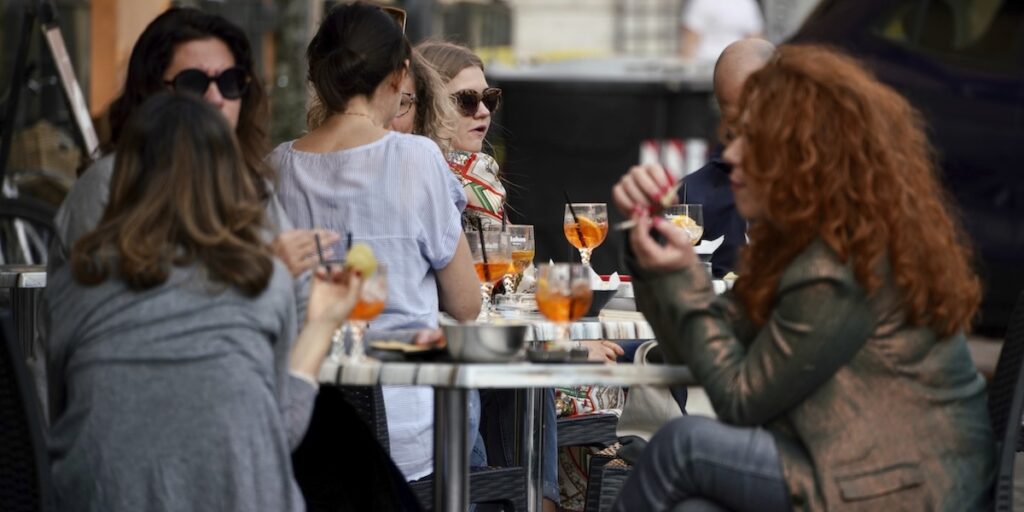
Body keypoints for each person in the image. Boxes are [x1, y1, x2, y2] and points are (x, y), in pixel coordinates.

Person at [611, 44, 993, 511]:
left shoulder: (840, 260)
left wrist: (681, 277)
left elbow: (739, 397)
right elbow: (706, 342)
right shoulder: (805, 238)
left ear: (804, 156)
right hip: (853, 460)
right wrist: (649, 251)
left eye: (750, 139)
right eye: (732, 134)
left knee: (683, 444)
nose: (728, 155)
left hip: (906, 484)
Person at [46, 93, 361, 512]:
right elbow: (276, 432)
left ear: (121, 176)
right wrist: (321, 323)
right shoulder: (261, 280)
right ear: (229, 181)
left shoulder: (74, 284)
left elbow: (64, 415)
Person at [268, 3, 480, 482]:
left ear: (318, 77)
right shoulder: (418, 159)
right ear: (398, 75)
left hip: (305, 426)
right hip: (410, 437)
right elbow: (467, 305)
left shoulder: (275, 167)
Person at [51, 7, 336, 281]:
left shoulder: (247, 182)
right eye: (193, 83)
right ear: (151, 93)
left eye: (230, 81)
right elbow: (128, 319)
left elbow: (297, 297)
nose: (216, 98)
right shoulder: (109, 185)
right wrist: (266, 272)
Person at [683, 38, 774, 277]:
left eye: (752, 129)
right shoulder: (692, 198)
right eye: (733, 129)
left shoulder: (823, 190)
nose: (733, 152)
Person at [679, 0, 764, 63]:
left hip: (737, 65)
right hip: (706, 65)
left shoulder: (747, 3)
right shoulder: (701, 2)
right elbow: (689, 40)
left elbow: (756, 40)